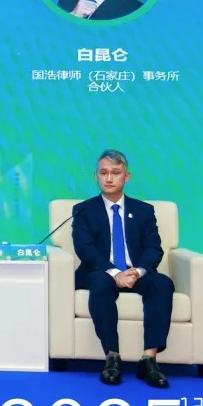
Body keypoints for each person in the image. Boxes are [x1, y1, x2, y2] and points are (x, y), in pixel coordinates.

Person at [71, 150, 172, 388]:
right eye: (103, 173)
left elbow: (154, 248)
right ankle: (112, 357)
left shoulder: (144, 210)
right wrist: (115, 273)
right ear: (96, 176)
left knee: (162, 283)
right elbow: (85, 248)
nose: (109, 178)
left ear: (127, 177)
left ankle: (149, 359)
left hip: (135, 271)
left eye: (115, 173)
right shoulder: (83, 210)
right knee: (99, 283)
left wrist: (137, 272)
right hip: (101, 271)